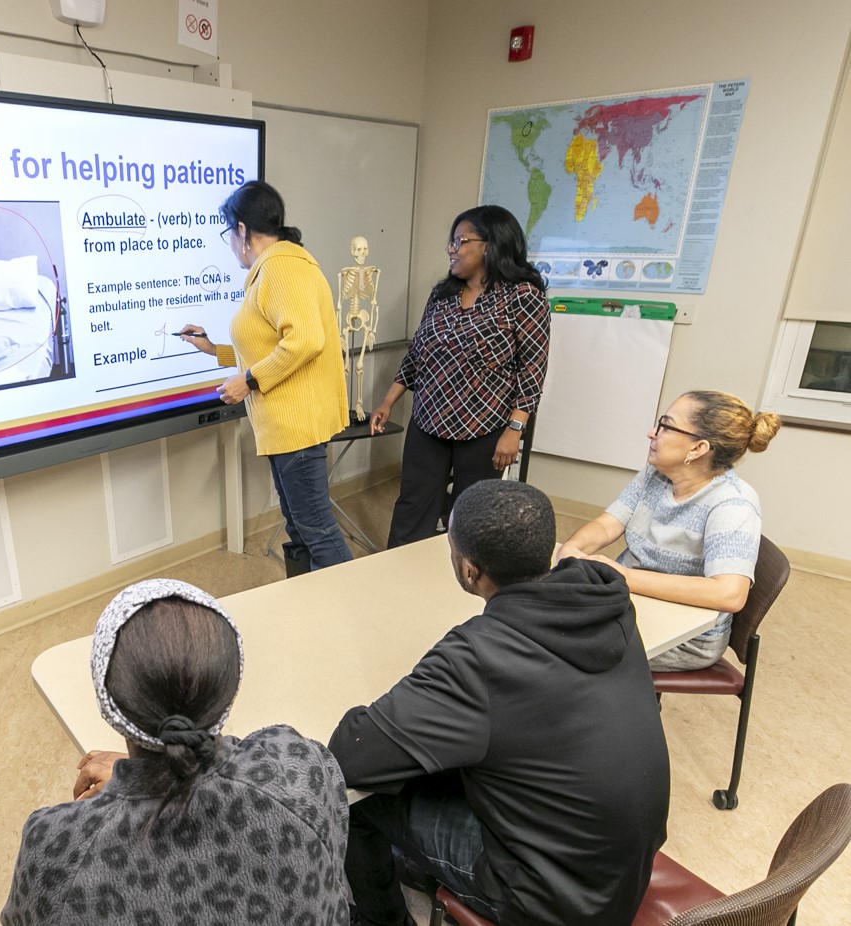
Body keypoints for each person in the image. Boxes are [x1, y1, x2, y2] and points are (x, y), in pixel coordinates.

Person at [330, 480, 669, 926]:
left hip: (551, 899)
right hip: (620, 868)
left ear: (470, 570)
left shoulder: (479, 656)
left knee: (360, 802)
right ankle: (423, 862)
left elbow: (352, 757)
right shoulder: (605, 602)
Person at [0, 578, 351, 926]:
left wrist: (138, 781)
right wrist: (149, 775)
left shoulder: (57, 850)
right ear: (230, 688)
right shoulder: (298, 769)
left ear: (109, 706)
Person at [179, 180, 352, 576]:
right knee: (300, 527)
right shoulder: (278, 266)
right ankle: (311, 605)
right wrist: (214, 350)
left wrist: (249, 381)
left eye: (228, 233)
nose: (230, 243)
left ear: (242, 230)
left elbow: (305, 340)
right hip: (286, 425)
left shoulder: (281, 266)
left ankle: (355, 615)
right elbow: (267, 343)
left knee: (318, 530)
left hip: (297, 425)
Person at [558, 390, 782, 671]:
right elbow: (609, 522)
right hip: (631, 600)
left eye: (665, 426)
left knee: (558, 647)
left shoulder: (733, 503)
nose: (652, 433)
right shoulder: (656, 474)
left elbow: (729, 594)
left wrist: (625, 576)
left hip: (688, 635)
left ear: (698, 448)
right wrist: (573, 548)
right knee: (539, 618)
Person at [370, 206, 550, 548]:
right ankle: (397, 578)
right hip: (428, 421)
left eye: (460, 240)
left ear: (490, 245)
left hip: (484, 425)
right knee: (412, 505)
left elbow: (532, 369)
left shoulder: (524, 297)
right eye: (452, 242)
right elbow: (418, 353)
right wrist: (388, 400)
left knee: (473, 515)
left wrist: (514, 430)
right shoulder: (443, 295)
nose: (452, 249)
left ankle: (458, 584)